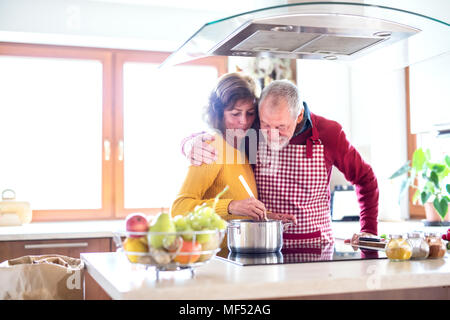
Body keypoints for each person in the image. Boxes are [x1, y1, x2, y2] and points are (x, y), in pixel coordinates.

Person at [184, 80, 379, 248]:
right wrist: (189, 143)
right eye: (266, 125)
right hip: (261, 246)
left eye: (281, 127)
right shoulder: (252, 129)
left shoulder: (329, 133)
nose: (272, 134)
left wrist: (368, 230)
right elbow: (218, 134)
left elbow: (365, 178)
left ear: (299, 115)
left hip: (316, 249)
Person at [171, 73, 296, 233]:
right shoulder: (211, 147)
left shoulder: (243, 148)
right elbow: (178, 209)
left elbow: (236, 210)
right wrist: (231, 206)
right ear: (219, 113)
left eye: (250, 113)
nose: (244, 121)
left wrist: (268, 216)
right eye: (235, 114)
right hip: (215, 255)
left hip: (236, 254)